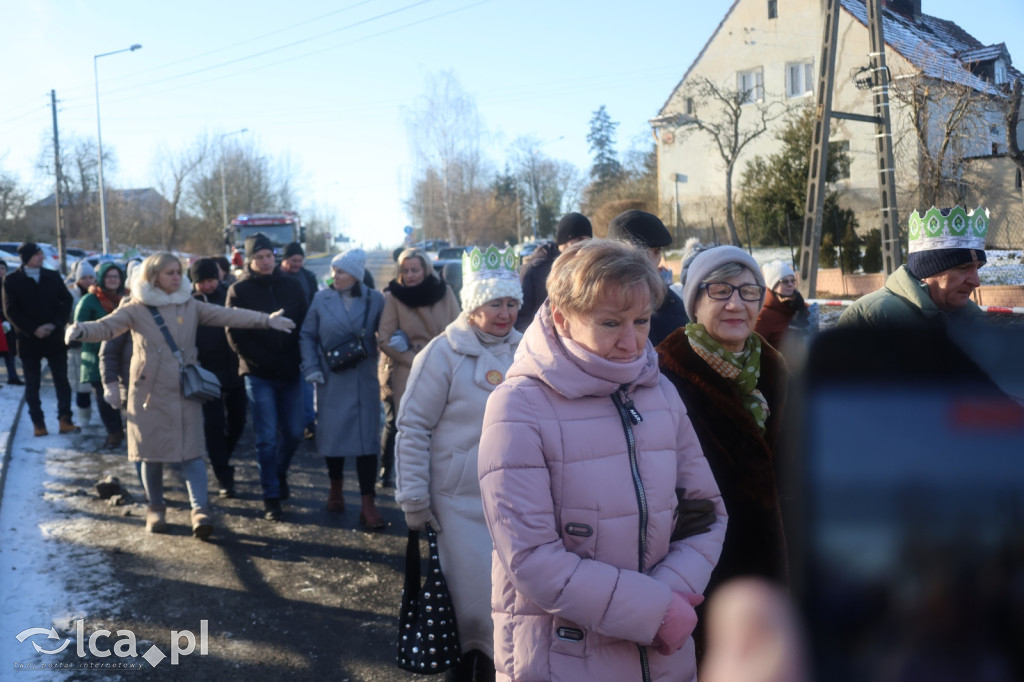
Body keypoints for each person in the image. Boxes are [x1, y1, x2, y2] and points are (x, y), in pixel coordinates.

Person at [478, 238, 727, 682]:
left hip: (665, 656)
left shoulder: (660, 392)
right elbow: (531, 557)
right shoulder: (518, 405)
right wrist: (652, 609)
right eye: (610, 323)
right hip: (564, 660)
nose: (631, 342)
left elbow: (705, 514)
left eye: (642, 321)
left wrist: (670, 596)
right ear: (562, 317)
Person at [65, 252, 296, 537]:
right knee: (151, 456)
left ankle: (200, 511)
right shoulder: (135, 307)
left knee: (192, 453)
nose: (177, 277)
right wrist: (80, 330)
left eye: (178, 271)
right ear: (153, 277)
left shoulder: (190, 304)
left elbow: (228, 315)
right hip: (147, 394)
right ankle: (155, 508)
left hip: (184, 390)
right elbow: (106, 327)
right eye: (170, 273)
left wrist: (266, 320)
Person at [396, 246, 524, 681]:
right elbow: (413, 428)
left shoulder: (527, 351)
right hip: (458, 507)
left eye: (511, 303)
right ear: (473, 305)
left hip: (518, 504)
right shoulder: (441, 354)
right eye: (495, 303)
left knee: (510, 612)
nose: (505, 314)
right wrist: (414, 499)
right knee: (468, 611)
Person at [656, 244, 790, 659]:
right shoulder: (664, 375)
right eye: (719, 290)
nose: (736, 304)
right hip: (700, 571)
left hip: (777, 565)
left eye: (749, 292)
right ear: (694, 302)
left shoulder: (776, 369)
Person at [299, 249, 387, 529]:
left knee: (367, 442)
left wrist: (395, 342)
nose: (334, 276)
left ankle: (368, 503)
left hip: (363, 379)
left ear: (356, 275)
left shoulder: (375, 300)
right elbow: (307, 335)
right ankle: (335, 489)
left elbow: (387, 331)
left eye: (341, 271)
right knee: (333, 438)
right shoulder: (321, 298)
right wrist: (311, 367)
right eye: (334, 271)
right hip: (331, 378)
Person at [226, 233, 309, 522]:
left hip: (291, 373)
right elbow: (234, 334)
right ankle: (270, 495)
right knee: (267, 438)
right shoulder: (239, 290)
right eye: (259, 257)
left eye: (269, 256)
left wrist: (297, 359)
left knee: (295, 432)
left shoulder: (292, 286)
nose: (265, 262)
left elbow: (304, 325)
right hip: (258, 374)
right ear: (250, 260)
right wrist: (263, 361)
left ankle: (278, 472)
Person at [377, 247, 460, 488]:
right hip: (409, 369)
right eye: (405, 271)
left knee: (443, 428)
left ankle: (441, 486)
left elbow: (458, 329)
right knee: (409, 430)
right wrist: (412, 358)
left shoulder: (444, 291)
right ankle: (410, 488)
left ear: (425, 269)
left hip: (443, 366)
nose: (410, 275)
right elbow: (384, 337)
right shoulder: (395, 296)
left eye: (415, 270)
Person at [839, 206, 987, 327]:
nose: (976, 282)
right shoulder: (869, 319)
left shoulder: (972, 317)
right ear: (929, 270)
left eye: (977, 268)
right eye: (963, 268)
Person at [2, 242, 78, 436]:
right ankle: (38, 423)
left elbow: (66, 300)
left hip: (54, 337)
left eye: (41, 254)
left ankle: (65, 419)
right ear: (27, 257)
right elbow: (10, 310)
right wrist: (33, 329)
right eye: (37, 254)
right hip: (28, 340)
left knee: (62, 381)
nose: (41, 257)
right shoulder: (12, 280)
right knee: (32, 383)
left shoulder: (52, 276)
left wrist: (55, 324)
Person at [191, 257, 247, 498]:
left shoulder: (229, 296)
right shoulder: (190, 304)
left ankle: (222, 455)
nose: (207, 286)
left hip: (235, 370)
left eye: (211, 280)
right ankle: (223, 475)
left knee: (238, 421)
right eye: (201, 282)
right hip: (207, 372)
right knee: (213, 425)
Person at [607, 209, 689, 345]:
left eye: (656, 251)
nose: (648, 261)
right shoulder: (598, 301)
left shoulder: (670, 303)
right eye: (639, 253)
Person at [74, 262, 127, 449]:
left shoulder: (126, 298)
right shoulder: (90, 300)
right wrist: (103, 337)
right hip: (96, 357)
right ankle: (114, 434)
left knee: (123, 397)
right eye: (109, 276)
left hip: (122, 357)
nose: (113, 280)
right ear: (102, 278)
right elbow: (79, 328)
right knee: (105, 399)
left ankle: (125, 431)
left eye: (116, 276)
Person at [515, 211, 592, 332]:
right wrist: (538, 338)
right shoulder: (533, 269)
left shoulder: (589, 269)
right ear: (564, 240)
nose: (584, 245)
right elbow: (521, 317)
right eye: (579, 239)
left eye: (588, 240)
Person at [279, 241, 320, 440]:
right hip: (281, 337)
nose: (296, 264)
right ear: (284, 260)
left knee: (306, 381)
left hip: (304, 335)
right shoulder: (276, 277)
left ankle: (308, 421)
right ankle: (287, 421)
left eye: (299, 260)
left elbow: (315, 302)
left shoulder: (308, 277)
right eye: (293, 261)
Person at [754, 260, 811, 350]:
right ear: (773, 285)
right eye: (785, 281)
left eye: (793, 280)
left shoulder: (802, 307)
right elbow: (755, 349)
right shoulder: (764, 315)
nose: (790, 284)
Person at [67, 259, 97, 426]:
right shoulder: (71, 295)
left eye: (91, 277)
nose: (88, 281)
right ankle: (84, 420)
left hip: (97, 344)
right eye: (84, 277)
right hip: (78, 346)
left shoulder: (100, 295)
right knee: (82, 386)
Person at [0, 260, 23, 385]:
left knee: (10, 351)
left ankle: (12, 376)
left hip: (9, 323)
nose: (0, 271)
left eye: (2, 268)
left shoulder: (9, 284)